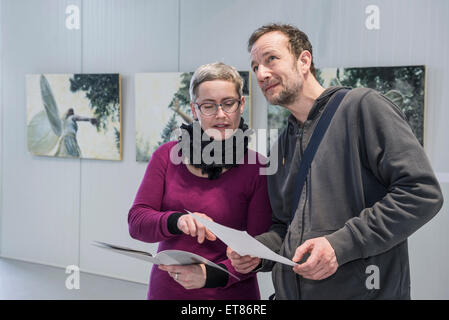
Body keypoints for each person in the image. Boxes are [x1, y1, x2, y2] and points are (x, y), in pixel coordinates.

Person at [227, 23, 444, 299]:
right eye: (255, 66)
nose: (261, 73)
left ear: (304, 61)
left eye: (271, 59)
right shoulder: (281, 145)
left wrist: (340, 245)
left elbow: (422, 193)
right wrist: (259, 253)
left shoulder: (363, 107)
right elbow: (285, 227)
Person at [128, 62, 272, 300]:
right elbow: (137, 222)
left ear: (241, 104)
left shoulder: (259, 167)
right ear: (194, 110)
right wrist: (178, 220)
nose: (221, 115)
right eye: (208, 106)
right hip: (168, 292)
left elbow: (259, 248)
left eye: (228, 103)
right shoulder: (165, 156)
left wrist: (212, 275)